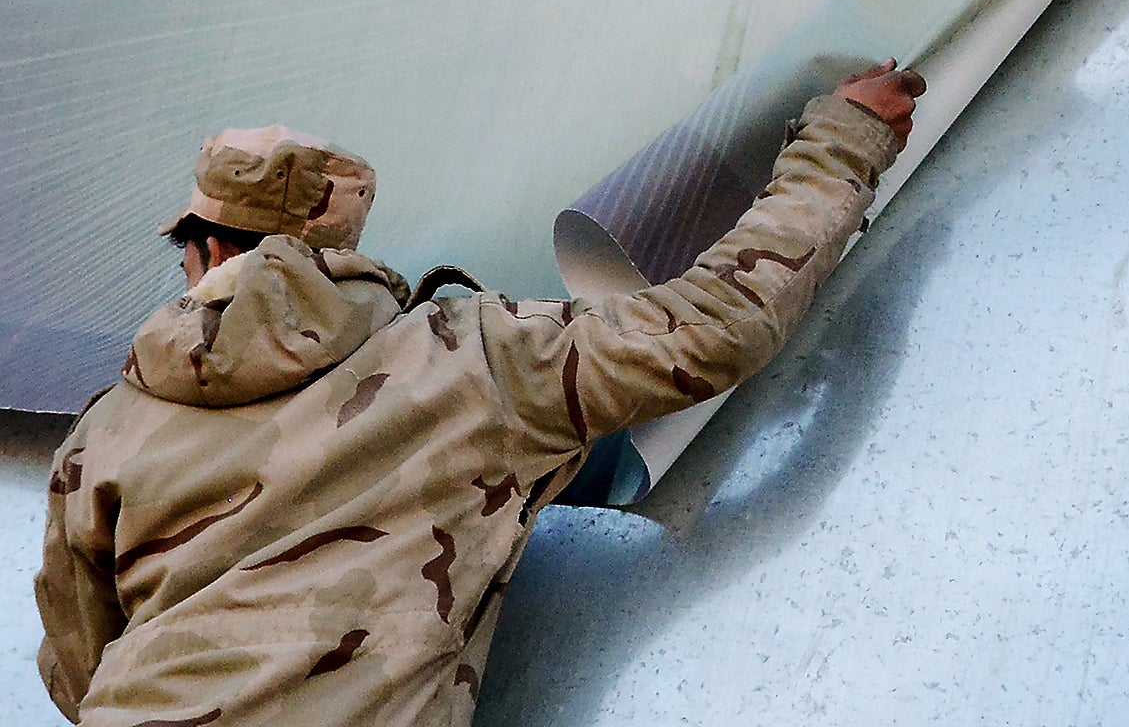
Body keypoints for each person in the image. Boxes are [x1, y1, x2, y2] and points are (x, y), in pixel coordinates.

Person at [35, 61, 926, 726]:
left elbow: (77, 673)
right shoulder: (476, 360)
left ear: (208, 250)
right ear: (338, 243)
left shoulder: (104, 433)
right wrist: (843, 140)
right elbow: (713, 324)